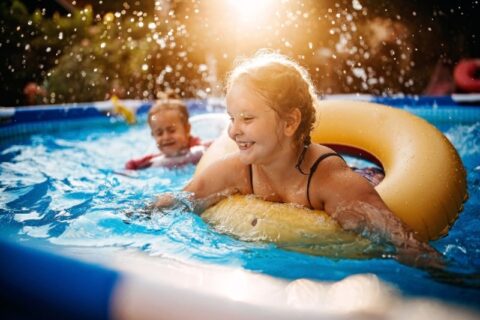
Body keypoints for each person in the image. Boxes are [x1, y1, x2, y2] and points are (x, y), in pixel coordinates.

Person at [154, 51, 442, 268]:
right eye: (232, 118)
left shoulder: (330, 181)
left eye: (247, 118)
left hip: (365, 175)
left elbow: (402, 242)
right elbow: (179, 200)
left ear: (290, 122)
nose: (233, 130)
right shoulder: (237, 171)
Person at [125, 98, 210, 170]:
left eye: (171, 130)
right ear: (153, 135)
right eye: (159, 133)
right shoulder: (154, 159)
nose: (166, 137)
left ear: (187, 129)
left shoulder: (200, 148)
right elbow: (131, 165)